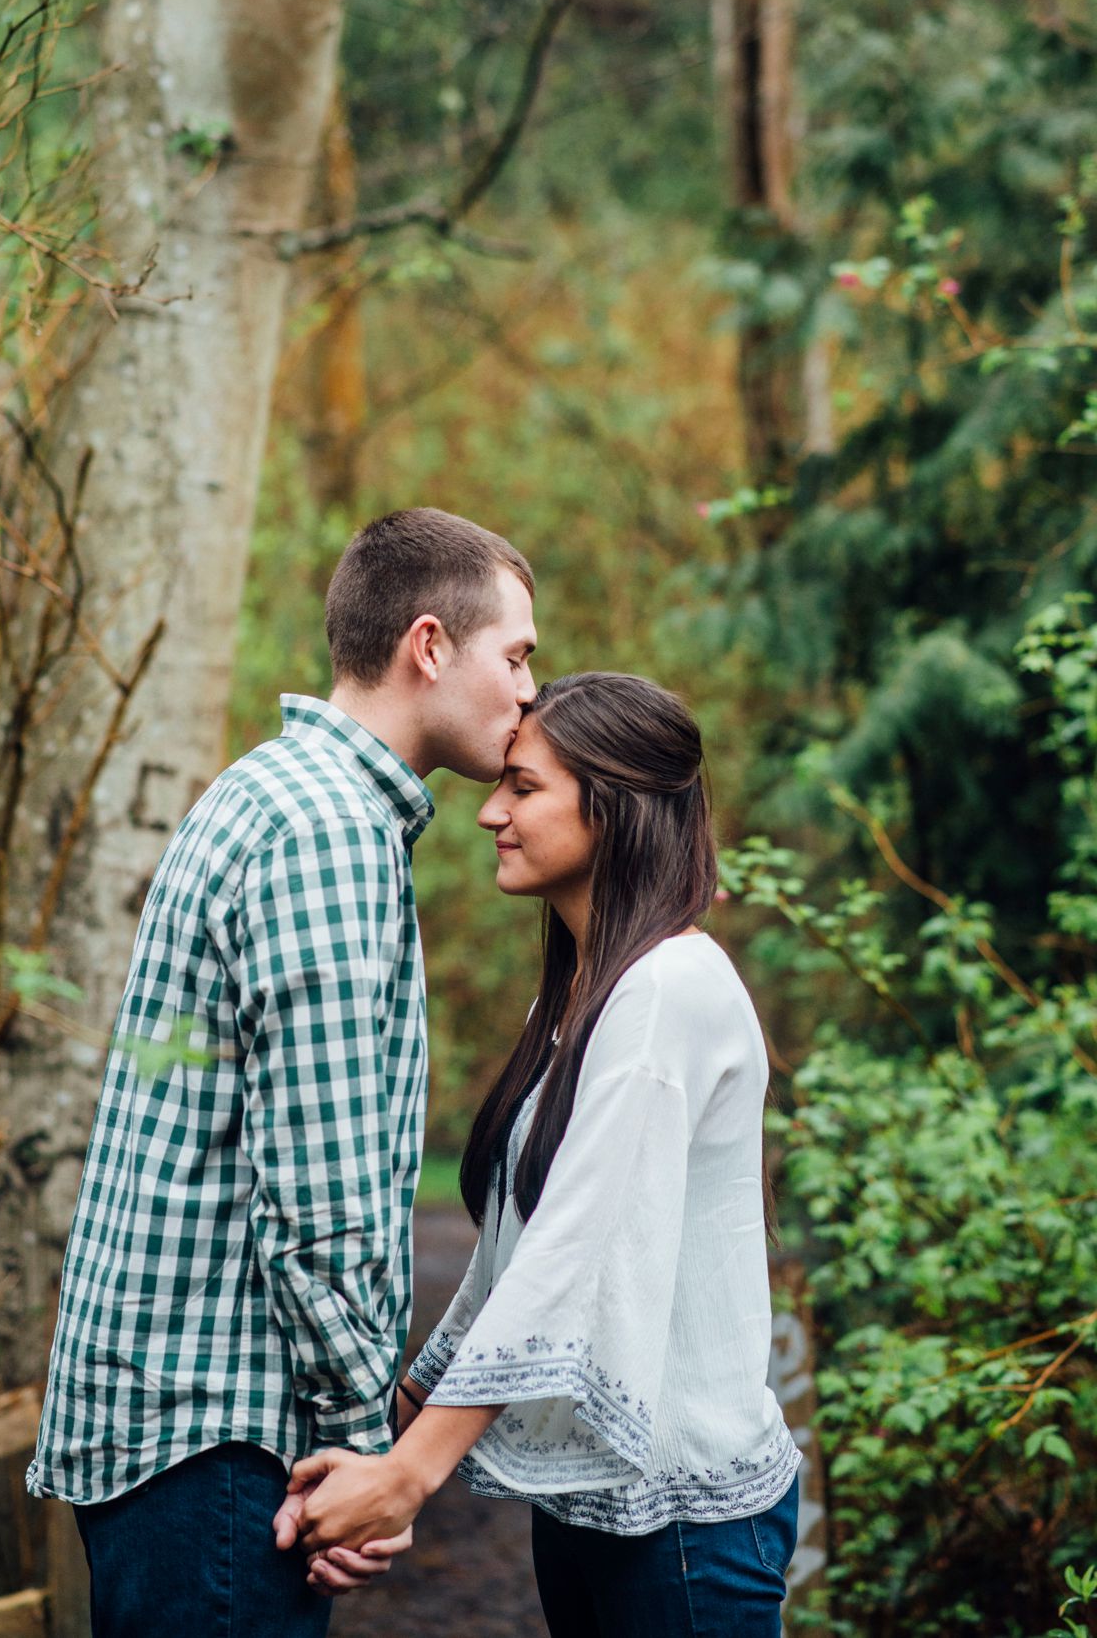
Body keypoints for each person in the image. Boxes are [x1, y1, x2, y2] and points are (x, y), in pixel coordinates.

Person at [27, 508, 538, 1637]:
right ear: (428, 645)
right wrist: (368, 1457)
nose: (527, 692)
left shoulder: (279, 791)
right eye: (515, 654)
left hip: (180, 1437)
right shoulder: (327, 833)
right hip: (221, 1446)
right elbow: (324, 1201)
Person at [280, 672, 801, 1636]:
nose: (489, 812)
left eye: (524, 787)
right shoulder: (580, 1001)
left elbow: (573, 1248)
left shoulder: (671, 987)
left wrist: (411, 1473)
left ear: (613, 806)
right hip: (589, 1515)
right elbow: (509, 1257)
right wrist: (390, 1422)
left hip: (687, 1526)